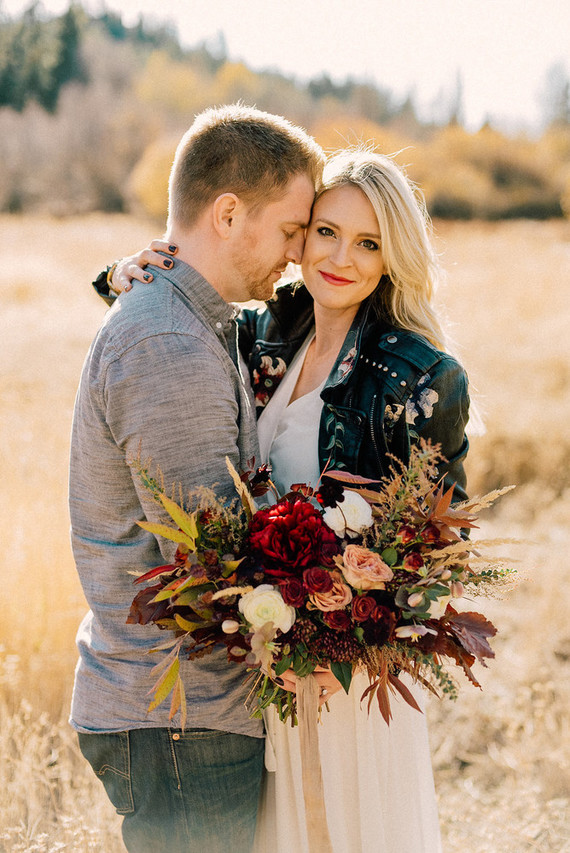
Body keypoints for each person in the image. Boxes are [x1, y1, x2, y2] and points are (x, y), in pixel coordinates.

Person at [98, 147, 470, 852]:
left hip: (348, 683)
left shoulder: (417, 376)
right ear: (298, 235)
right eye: (325, 231)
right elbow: (176, 312)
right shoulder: (267, 331)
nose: (341, 257)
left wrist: (344, 648)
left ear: (393, 257)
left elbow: (441, 555)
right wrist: (125, 274)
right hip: (265, 676)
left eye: (369, 243)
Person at [69, 102, 324, 853]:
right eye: (289, 229)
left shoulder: (192, 319)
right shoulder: (167, 341)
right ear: (228, 211)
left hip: (186, 712)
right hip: (178, 715)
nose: (295, 253)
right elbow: (214, 559)